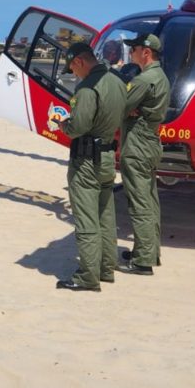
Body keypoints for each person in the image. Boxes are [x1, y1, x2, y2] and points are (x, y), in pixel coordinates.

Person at [53, 43, 126, 292]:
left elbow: (78, 127)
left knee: (86, 219)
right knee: (106, 215)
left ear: (79, 62)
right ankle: (106, 268)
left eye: (72, 68)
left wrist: (63, 124)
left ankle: (88, 276)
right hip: (107, 156)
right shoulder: (116, 81)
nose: (74, 74)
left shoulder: (86, 88)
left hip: (86, 160)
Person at [118, 33, 171, 276]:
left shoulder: (144, 79)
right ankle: (148, 250)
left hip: (138, 143)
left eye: (134, 49)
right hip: (150, 141)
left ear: (146, 52)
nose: (131, 53)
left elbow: (120, 106)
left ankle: (143, 260)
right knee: (149, 199)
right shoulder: (160, 77)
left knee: (139, 201)